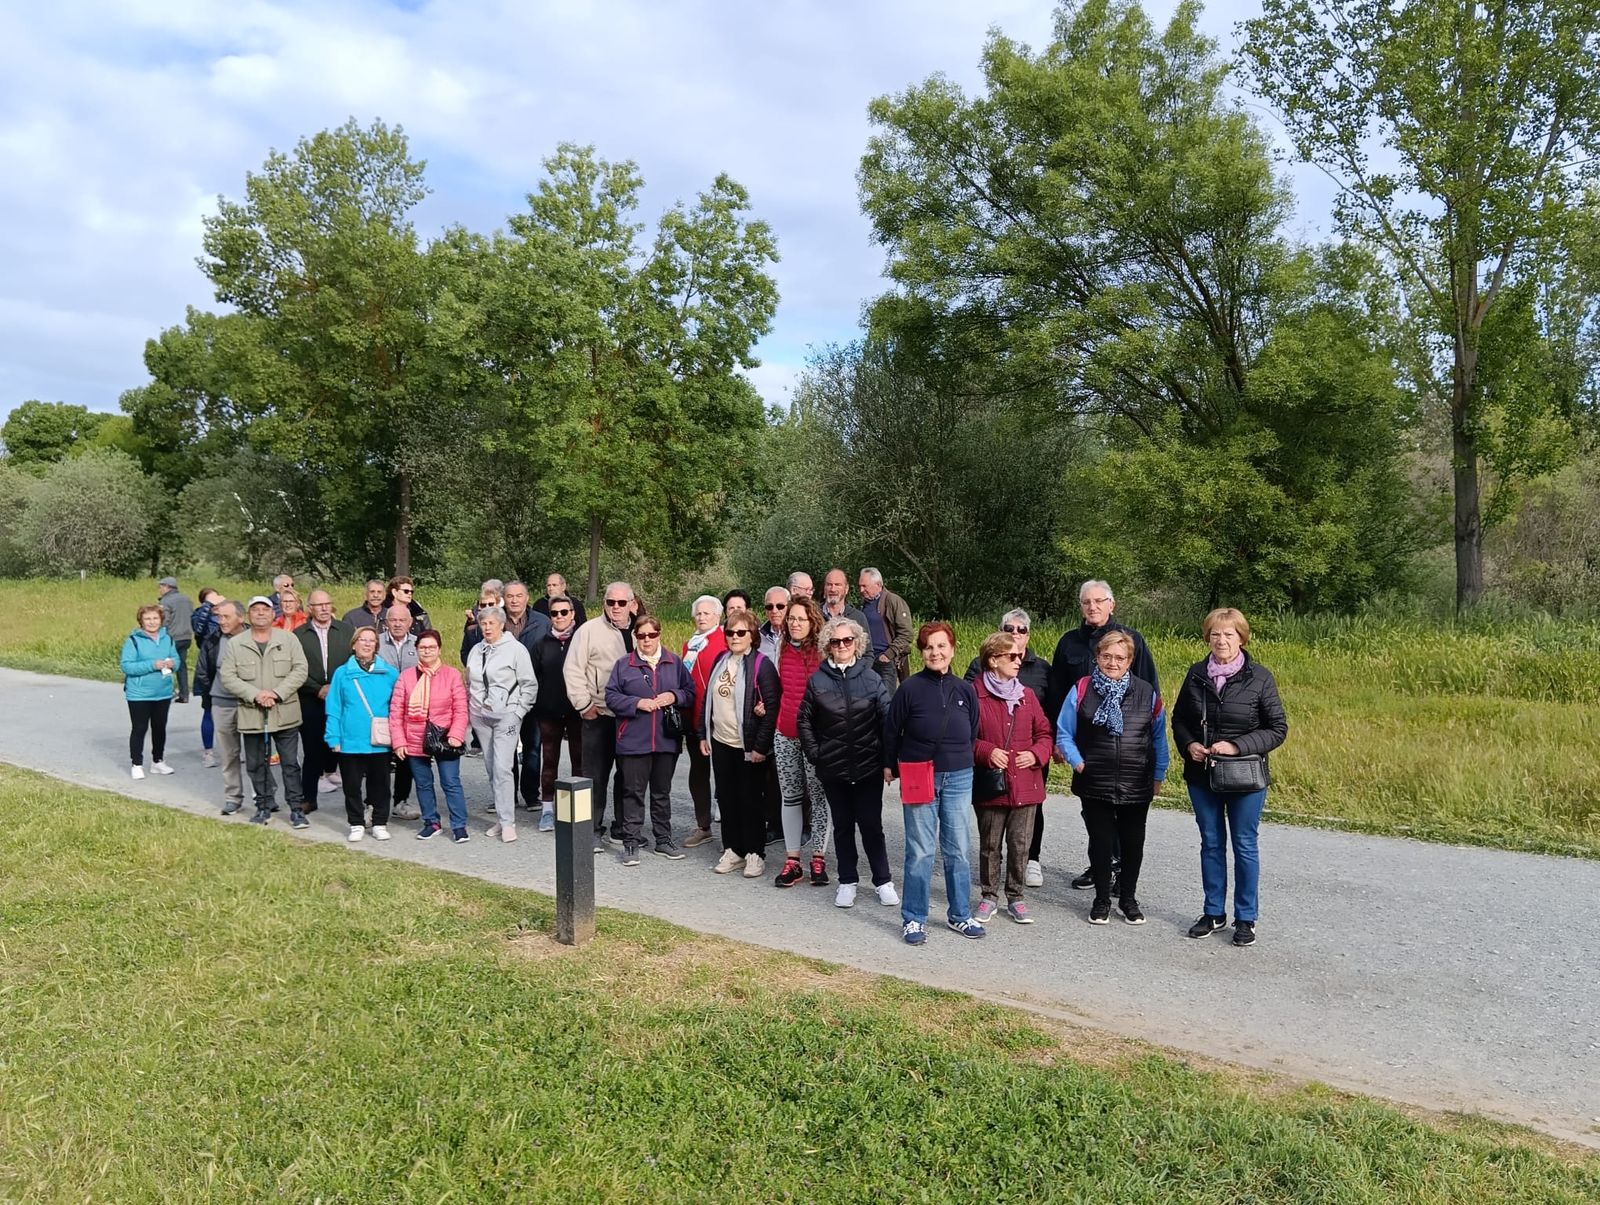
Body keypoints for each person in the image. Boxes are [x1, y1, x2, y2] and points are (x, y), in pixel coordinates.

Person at [1170, 608, 1288, 948]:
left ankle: (1246, 918)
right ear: (1207, 637)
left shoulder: (1260, 678)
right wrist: (1190, 744)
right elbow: (1179, 720)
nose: (1221, 641)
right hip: (1202, 774)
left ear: (1241, 638)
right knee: (1211, 842)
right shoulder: (1195, 675)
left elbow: (1277, 729)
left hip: (1245, 776)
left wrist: (1236, 746)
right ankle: (1213, 912)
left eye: (1229, 635)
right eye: (1215, 634)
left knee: (1245, 845)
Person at [1045, 579, 1161, 893]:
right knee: (1093, 810)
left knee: (1124, 810)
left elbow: (1150, 688)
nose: (1092, 607)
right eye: (1087, 602)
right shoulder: (1069, 642)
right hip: (1086, 743)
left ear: (1111, 604)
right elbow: (1058, 693)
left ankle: (1120, 869)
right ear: (1081, 606)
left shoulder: (1131, 639)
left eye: (1099, 601)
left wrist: (1151, 747)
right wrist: (1058, 739)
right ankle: (1101, 865)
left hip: (1128, 742)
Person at [1054, 630, 1169, 926]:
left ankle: (1128, 899)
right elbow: (1064, 732)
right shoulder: (1081, 688)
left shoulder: (1147, 693)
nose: (1112, 663)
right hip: (1094, 780)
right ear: (1097, 657)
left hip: (1136, 781)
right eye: (1106, 656)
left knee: (1133, 843)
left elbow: (1158, 738)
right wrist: (1078, 763)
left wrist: (1159, 774)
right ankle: (1102, 900)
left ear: (1130, 660)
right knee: (1101, 843)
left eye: (1120, 657)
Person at [884, 621, 983, 945]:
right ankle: (914, 918)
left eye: (941, 646)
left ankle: (959, 915)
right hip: (918, 775)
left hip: (958, 776)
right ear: (922, 652)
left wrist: (954, 758)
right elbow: (891, 730)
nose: (935, 652)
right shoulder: (909, 688)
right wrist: (889, 764)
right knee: (920, 851)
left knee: (958, 850)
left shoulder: (965, 690)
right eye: (929, 647)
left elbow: (972, 731)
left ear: (952, 649)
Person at [797, 618, 898, 909]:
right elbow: (804, 720)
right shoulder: (818, 680)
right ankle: (847, 880)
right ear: (828, 645)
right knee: (842, 826)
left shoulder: (871, 678)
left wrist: (889, 761)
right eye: (835, 642)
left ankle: (883, 881)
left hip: (868, 767)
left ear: (856, 642)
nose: (842, 646)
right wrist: (817, 754)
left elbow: (887, 720)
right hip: (834, 768)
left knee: (871, 825)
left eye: (847, 641)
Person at [971, 631, 1055, 925]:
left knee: (1020, 844)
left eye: (1020, 655)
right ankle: (988, 895)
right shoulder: (974, 694)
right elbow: (963, 738)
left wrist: (1036, 754)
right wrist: (985, 751)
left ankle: (1016, 897)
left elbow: (1044, 733)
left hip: (1026, 783)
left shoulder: (1027, 695)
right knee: (990, 844)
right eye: (1012, 656)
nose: (1020, 660)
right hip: (992, 783)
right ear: (993, 660)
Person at [605, 614, 694, 865]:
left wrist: (673, 696)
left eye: (651, 635)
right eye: (641, 635)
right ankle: (631, 842)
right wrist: (637, 703)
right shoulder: (624, 665)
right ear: (635, 637)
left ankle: (663, 840)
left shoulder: (674, 662)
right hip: (633, 739)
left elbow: (690, 692)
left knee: (661, 792)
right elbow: (611, 696)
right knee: (632, 792)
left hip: (665, 739)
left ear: (659, 635)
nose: (646, 640)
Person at [700, 609, 781, 878]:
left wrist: (759, 747)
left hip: (747, 746)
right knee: (726, 797)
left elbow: (771, 709)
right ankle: (732, 849)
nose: (734, 637)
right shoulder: (721, 660)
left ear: (752, 635)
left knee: (750, 800)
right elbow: (708, 701)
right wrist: (703, 733)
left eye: (741, 632)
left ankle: (754, 853)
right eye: (730, 632)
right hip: (721, 742)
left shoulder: (761, 664)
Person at [218, 595, 310, 827]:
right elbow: (228, 676)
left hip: (285, 712)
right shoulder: (236, 644)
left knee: (290, 763)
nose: (260, 613)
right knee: (256, 763)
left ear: (273, 614)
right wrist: (255, 694)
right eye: (255, 610)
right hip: (252, 713)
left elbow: (300, 669)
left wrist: (277, 693)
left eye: (265, 609)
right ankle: (263, 806)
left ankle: (296, 809)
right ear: (249, 615)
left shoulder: (288, 639)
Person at [564, 582, 637, 852]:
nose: (615, 608)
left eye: (621, 603)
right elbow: (573, 669)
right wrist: (584, 705)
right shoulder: (588, 631)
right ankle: (590, 830)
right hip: (599, 714)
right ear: (604, 603)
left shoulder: (641, 630)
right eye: (610, 602)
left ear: (632, 604)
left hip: (631, 718)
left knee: (628, 777)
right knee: (594, 776)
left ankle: (622, 828)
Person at [389, 629, 471, 842]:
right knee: (423, 783)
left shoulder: (452, 675)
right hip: (414, 737)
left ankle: (459, 825)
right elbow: (396, 711)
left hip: (444, 737)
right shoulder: (406, 677)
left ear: (439, 649)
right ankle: (431, 822)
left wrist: (456, 734)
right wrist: (398, 741)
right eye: (423, 647)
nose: (427, 651)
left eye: (431, 647)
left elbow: (461, 709)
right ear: (416, 650)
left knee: (450, 781)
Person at [466, 605, 537, 843]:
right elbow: (471, 681)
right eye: (483, 623)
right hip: (480, 716)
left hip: (507, 715)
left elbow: (529, 684)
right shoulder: (476, 650)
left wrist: (518, 712)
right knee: (490, 766)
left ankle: (508, 823)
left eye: (491, 624)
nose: (487, 628)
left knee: (503, 767)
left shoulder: (516, 650)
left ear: (501, 625)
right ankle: (500, 815)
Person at [772, 596, 830, 887]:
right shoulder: (780, 648)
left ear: (812, 622)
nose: (794, 623)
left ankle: (818, 857)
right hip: (785, 732)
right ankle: (792, 860)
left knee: (819, 797)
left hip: (815, 736)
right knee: (791, 796)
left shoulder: (822, 652)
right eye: (791, 618)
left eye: (801, 619)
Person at [325, 626, 400, 843]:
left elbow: (397, 707)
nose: (367, 644)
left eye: (371, 640)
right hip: (350, 740)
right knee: (351, 785)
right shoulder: (342, 673)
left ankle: (379, 822)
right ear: (354, 644)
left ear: (376, 645)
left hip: (379, 740)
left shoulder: (389, 673)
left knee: (381, 786)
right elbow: (334, 707)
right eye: (362, 640)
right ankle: (356, 822)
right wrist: (333, 737)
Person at [530, 594, 585, 832]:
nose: (560, 617)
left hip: (578, 711)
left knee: (579, 761)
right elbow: (533, 678)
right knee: (549, 760)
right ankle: (548, 810)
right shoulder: (541, 644)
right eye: (555, 613)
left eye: (564, 612)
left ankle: (578, 811)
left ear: (572, 614)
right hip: (549, 711)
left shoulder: (581, 641)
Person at [501, 580, 553, 814]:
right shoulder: (496, 621)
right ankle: (506, 795)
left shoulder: (541, 622)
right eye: (510, 596)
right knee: (505, 748)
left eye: (519, 596)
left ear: (527, 597)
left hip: (533, 694)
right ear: (504, 598)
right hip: (503, 698)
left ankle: (531, 795)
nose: (514, 600)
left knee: (532, 746)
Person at [297, 589, 353, 803]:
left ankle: (352, 803)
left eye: (327, 604)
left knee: (344, 751)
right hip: (311, 699)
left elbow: (353, 662)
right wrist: (316, 688)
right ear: (310, 608)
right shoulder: (299, 635)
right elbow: (295, 668)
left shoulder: (346, 631)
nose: (323, 608)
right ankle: (308, 799)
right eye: (318, 605)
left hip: (342, 699)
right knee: (312, 751)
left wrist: (337, 686)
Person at [680, 594, 727, 848]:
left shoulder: (724, 640)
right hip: (692, 717)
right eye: (698, 613)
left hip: (718, 718)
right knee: (698, 772)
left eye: (707, 613)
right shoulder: (689, 644)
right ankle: (703, 825)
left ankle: (732, 831)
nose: (701, 617)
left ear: (717, 617)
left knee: (723, 773)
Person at [193, 599, 246, 812]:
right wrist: (213, 694)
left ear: (240, 618)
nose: (221, 621)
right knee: (229, 754)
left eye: (226, 617)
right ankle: (233, 797)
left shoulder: (254, 637)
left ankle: (263, 795)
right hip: (221, 703)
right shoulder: (213, 639)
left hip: (249, 703)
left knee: (256, 753)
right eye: (219, 616)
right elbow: (203, 671)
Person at [121, 604, 179, 780]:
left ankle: (157, 761)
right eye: (147, 619)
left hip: (162, 692)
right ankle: (136, 763)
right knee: (139, 728)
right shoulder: (133, 640)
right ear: (141, 621)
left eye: (155, 618)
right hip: (139, 693)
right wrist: (152, 665)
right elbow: (126, 666)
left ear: (161, 620)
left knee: (159, 728)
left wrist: (172, 664)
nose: (152, 622)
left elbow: (177, 660)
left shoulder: (167, 639)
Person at [377, 604, 421, 820]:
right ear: (386, 622)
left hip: (411, 711)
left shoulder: (419, 645)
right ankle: (376, 803)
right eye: (392, 620)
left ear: (410, 623)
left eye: (401, 620)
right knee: (381, 759)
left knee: (406, 759)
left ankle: (401, 801)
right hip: (382, 708)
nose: (397, 624)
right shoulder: (376, 643)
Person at [856, 568, 913, 694]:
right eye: (860, 586)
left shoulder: (893, 601)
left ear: (878, 584)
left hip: (886, 662)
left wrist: (889, 654)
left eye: (864, 586)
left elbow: (906, 633)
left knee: (886, 702)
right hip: (867, 661)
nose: (861, 590)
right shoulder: (862, 605)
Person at [191, 587, 222, 764]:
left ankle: (233, 749)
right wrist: (208, 606)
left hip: (227, 669)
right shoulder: (198, 617)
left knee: (236, 713)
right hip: (209, 671)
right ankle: (208, 752)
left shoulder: (227, 617)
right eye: (211, 602)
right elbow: (199, 629)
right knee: (209, 711)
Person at [157, 577, 195, 704]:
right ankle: (184, 694)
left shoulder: (166, 601)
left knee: (165, 664)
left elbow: (164, 620)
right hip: (186, 637)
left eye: (161, 586)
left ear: (167, 587)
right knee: (181, 666)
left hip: (172, 637)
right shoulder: (187, 599)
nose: (160, 589)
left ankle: (168, 691)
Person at [459, 581, 504, 661]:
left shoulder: (505, 625)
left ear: (497, 605)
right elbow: (465, 653)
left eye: (490, 604)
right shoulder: (471, 630)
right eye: (483, 605)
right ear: (479, 607)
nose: (487, 608)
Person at [759, 586, 790, 661]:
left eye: (780, 606)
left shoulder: (797, 636)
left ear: (789, 606)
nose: (774, 611)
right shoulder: (757, 637)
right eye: (769, 606)